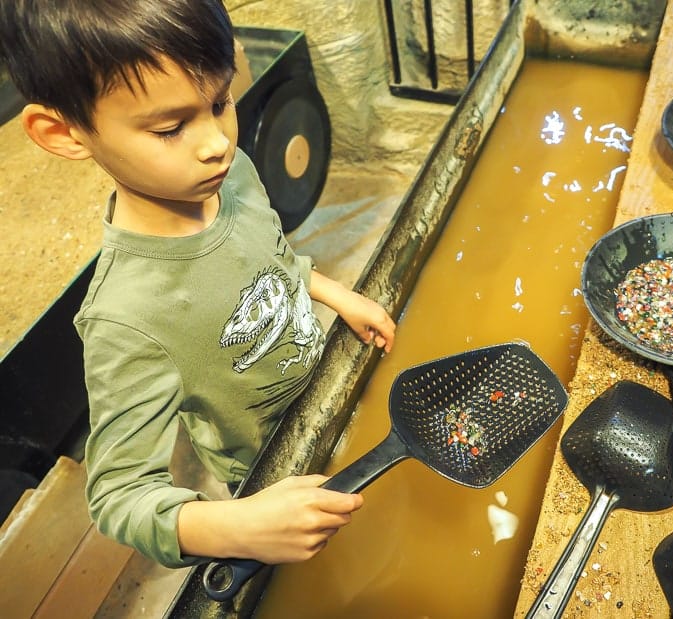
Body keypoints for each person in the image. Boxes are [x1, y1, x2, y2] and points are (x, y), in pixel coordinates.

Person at [0, 0, 396, 569]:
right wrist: (239, 528)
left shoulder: (230, 175)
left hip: (336, 389)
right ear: (63, 131)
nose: (215, 141)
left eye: (220, 101)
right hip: (277, 472)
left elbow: (269, 258)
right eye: (170, 127)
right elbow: (119, 496)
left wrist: (331, 291)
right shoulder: (127, 317)